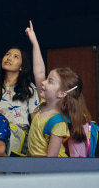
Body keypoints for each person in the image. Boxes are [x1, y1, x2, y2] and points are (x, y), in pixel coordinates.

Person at [26, 20, 91, 157]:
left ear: (62, 93)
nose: (43, 83)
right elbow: (38, 72)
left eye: (50, 81)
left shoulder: (58, 123)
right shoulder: (42, 105)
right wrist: (35, 43)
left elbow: (51, 161)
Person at [0, 46, 39, 127]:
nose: (9, 58)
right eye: (7, 54)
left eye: (16, 57)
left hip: (20, 135)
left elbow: (35, 119)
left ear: (21, 67)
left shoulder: (28, 88)